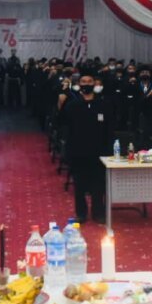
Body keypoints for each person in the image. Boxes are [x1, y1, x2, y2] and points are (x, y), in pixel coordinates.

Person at [59, 72, 112, 223]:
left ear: (94, 84)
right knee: (80, 184)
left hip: (99, 151)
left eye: (90, 81)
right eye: (84, 81)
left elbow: (109, 128)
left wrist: (108, 150)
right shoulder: (72, 105)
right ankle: (81, 213)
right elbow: (63, 124)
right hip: (78, 151)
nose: (87, 84)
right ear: (79, 84)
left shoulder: (103, 104)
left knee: (98, 184)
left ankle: (98, 213)